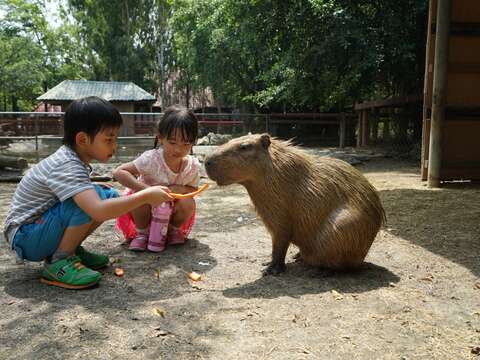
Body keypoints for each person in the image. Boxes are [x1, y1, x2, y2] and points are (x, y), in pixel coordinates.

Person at [3, 96, 173, 289]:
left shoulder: (72, 160)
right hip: (26, 236)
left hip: (36, 230)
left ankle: (70, 249)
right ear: (83, 139)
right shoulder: (67, 165)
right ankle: (60, 259)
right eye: (109, 139)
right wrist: (146, 195)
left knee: (105, 194)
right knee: (90, 202)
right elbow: (98, 210)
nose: (114, 146)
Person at [113, 105, 200, 253]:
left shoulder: (191, 166)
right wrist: (147, 191)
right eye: (172, 142)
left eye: (186, 143)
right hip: (145, 210)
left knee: (189, 202)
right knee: (137, 197)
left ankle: (172, 231)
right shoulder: (151, 159)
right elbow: (119, 172)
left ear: (193, 142)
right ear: (160, 137)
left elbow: (194, 189)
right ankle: (142, 234)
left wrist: (181, 189)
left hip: (171, 210)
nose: (178, 149)